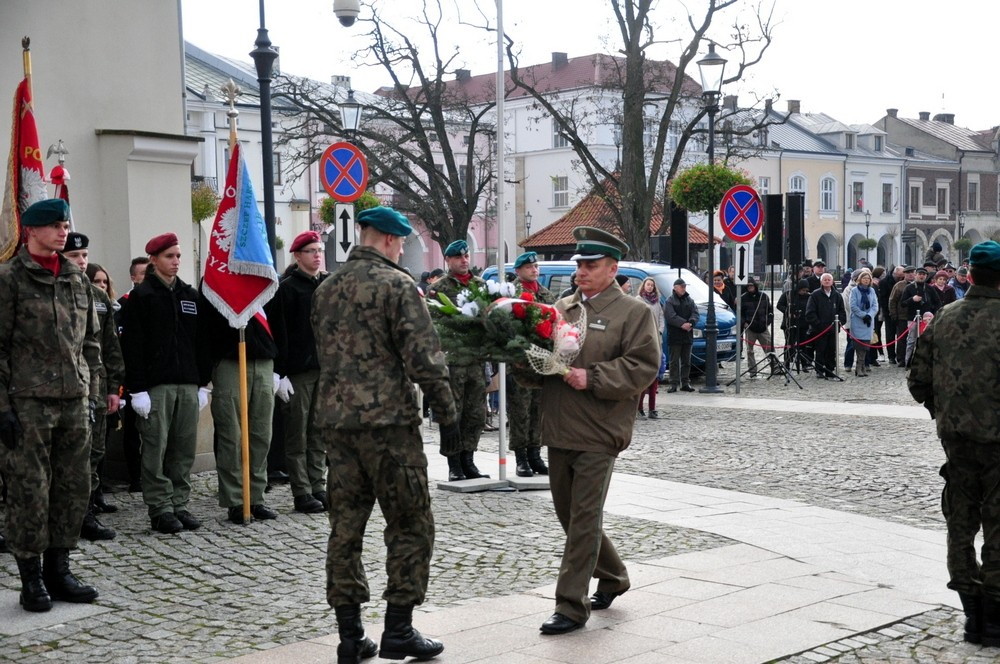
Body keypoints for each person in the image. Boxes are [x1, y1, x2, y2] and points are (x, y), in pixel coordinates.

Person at [311, 206, 458, 662]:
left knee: (345, 528)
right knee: (411, 522)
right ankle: (398, 628)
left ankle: (350, 636)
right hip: (390, 427)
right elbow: (423, 358)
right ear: (392, 241)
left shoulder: (326, 288)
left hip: (337, 426)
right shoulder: (398, 286)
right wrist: (449, 416)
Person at [516, 226, 659, 636]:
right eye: (579, 264)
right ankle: (613, 576)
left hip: (600, 431)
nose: (581, 271)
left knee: (583, 520)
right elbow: (543, 361)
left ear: (612, 269)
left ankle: (570, 606)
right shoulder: (562, 307)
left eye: (591, 265)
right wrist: (525, 359)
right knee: (570, 515)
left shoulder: (634, 312)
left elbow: (643, 367)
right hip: (560, 427)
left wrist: (592, 376)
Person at [0, 199, 102, 612]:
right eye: (56, 226)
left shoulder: (76, 279)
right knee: (29, 492)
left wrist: (92, 394)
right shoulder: (10, 279)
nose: (64, 232)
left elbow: (91, 343)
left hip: (73, 401)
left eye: (65, 225)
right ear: (32, 230)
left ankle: (60, 569)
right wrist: (2, 408)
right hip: (28, 404)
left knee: (73, 488)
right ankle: (31, 577)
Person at [907, 240, 1000, 647]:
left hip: (957, 443)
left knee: (960, 525)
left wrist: (943, 411)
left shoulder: (944, 317)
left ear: (971, 274)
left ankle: (972, 618)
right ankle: (996, 621)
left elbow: (917, 381)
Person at [121, 233, 208, 534]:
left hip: (187, 382)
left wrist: (201, 383)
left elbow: (200, 343)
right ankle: (160, 508)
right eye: (170, 256)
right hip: (156, 385)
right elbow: (133, 346)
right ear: (154, 260)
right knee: (156, 449)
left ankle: (179, 504)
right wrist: (138, 389)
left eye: (178, 256)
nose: (176, 262)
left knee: (183, 449)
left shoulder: (189, 295)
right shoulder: (142, 297)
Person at [198, 274, 279, 525]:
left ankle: (255, 496)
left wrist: (280, 367)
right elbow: (205, 328)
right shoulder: (215, 277)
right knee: (232, 434)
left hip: (264, 359)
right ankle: (235, 500)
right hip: (230, 359)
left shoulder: (260, 270)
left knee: (261, 434)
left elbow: (278, 320)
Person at [61, 233, 124, 541]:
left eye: (85, 255)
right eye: (75, 256)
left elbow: (110, 345)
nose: (82, 261)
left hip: (95, 387)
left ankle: (86, 514)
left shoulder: (98, 299)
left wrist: (114, 386)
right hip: (62, 387)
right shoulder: (56, 292)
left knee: (93, 454)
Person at [266, 230, 330, 514]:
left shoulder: (328, 285)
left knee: (319, 433)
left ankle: (318, 485)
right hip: (298, 372)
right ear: (297, 256)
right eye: (311, 251)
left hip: (325, 369)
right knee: (297, 434)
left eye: (319, 250)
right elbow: (279, 332)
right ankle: (301, 491)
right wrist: (280, 372)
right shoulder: (287, 288)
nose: (317, 255)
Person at [426, 239, 490, 481]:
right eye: (458, 258)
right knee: (453, 413)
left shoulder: (481, 286)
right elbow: (433, 324)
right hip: (452, 362)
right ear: (448, 261)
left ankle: (469, 460)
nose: (464, 261)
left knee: (475, 414)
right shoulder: (439, 289)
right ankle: (454, 464)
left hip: (476, 360)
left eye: (466, 256)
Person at [507, 251, 555, 476]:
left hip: (542, 361)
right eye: (529, 267)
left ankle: (535, 454)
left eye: (536, 266)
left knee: (538, 410)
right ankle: (521, 457)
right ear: (518, 271)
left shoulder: (544, 292)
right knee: (520, 410)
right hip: (521, 362)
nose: (534, 270)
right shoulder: (513, 293)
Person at [116, 255, 150, 492]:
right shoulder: (122, 304)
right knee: (131, 430)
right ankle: (135, 476)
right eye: (142, 273)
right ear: (133, 276)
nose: (145, 277)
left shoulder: (155, 300)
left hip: (153, 376)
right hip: (129, 376)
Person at [805, 273, 846, 378]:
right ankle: (819, 369)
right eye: (825, 280)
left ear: (832, 282)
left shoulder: (837, 295)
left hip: (833, 329)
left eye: (829, 280)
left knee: (831, 350)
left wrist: (839, 322)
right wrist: (818, 324)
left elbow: (842, 311)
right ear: (821, 282)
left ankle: (830, 369)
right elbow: (810, 312)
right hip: (820, 330)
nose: (827, 281)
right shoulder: (815, 295)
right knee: (820, 350)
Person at [636, 277, 665, 416]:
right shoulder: (638, 300)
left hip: (656, 339)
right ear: (643, 286)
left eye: (652, 285)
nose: (650, 287)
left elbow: (661, 317)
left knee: (655, 375)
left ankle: (652, 408)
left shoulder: (657, 302)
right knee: (643, 376)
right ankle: (639, 406)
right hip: (644, 339)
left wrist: (659, 330)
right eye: (648, 285)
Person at [664, 278, 699, 392]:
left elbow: (695, 313)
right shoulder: (669, 301)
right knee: (674, 361)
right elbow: (670, 316)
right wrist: (682, 324)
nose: (684, 288)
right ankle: (673, 383)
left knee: (686, 361)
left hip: (687, 334)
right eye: (682, 286)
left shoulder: (689, 300)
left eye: (684, 286)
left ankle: (685, 382)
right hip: (675, 334)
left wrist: (691, 322)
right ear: (675, 288)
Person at [777, 279, 813, 372]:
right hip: (790, 323)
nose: (804, 292)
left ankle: (804, 364)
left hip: (803, 324)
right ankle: (787, 363)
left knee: (803, 345)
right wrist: (788, 312)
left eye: (806, 290)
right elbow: (779, 305)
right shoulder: (788, 294)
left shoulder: (808, 296)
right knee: (789, 344)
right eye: (803, 290)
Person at [848, 269, 878, 377]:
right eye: (864, 278)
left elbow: (875, 305)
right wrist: (863, 315)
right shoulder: (854, 290)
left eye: (868, 278)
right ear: (860, 279)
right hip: (858, 321)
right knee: (858, 346)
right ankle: (858, 366)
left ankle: (862, 366)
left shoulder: (872, 291)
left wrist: (869, 315)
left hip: (868, 322)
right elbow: (853, 306)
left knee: (866, 346)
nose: (866, 280)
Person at [740, 277, 773, 378]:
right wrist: (744, 323)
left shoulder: (764, 296)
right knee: (750, 351)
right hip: (750, 328)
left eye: (751, 285)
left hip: (763, 327)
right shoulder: (743, 298)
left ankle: (775, 367)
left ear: (755, 286)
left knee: (769, 348)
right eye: (748, 286)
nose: (750, 287)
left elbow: (770, 311)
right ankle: (752, 371)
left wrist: (768, 322)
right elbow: (740, 313)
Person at [889, 266, 916, 367]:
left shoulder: (918, 285)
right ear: (904, 274)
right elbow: (892, 300)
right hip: (902, 316)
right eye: (908, 272)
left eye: (912, 272)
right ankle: (901, 358)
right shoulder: (899, 286)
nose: (910, 274)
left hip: (914, 316)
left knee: (914, 338)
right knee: (902, 338)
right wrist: (893, 314)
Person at [879, 265, 902, 365]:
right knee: (890, 335)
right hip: (889, 313)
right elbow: (883, 299)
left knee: (901, 335)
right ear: (896, 273)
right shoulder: (884, 282)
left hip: (901, 313)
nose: (902, 277)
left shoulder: (903, 281)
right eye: (901, 275)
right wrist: (888, 312)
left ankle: (900, 355)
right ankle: (891, 356)